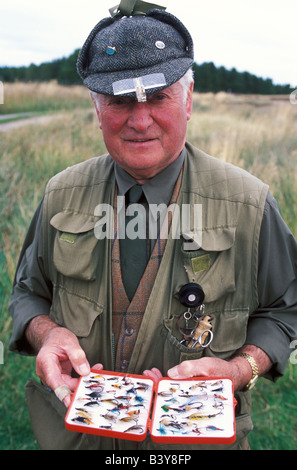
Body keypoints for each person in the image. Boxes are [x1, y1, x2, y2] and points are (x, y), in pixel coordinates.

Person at [8, 0, 297, 451]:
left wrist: (242, 369)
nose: (139, 121)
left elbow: (285, 308)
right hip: (75, 438)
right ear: (96, 107)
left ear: (189, 99)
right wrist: (47, 335)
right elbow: (28, 292)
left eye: (158, 97)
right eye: (120, 100)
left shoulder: (249, 204)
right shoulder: (60, 194)